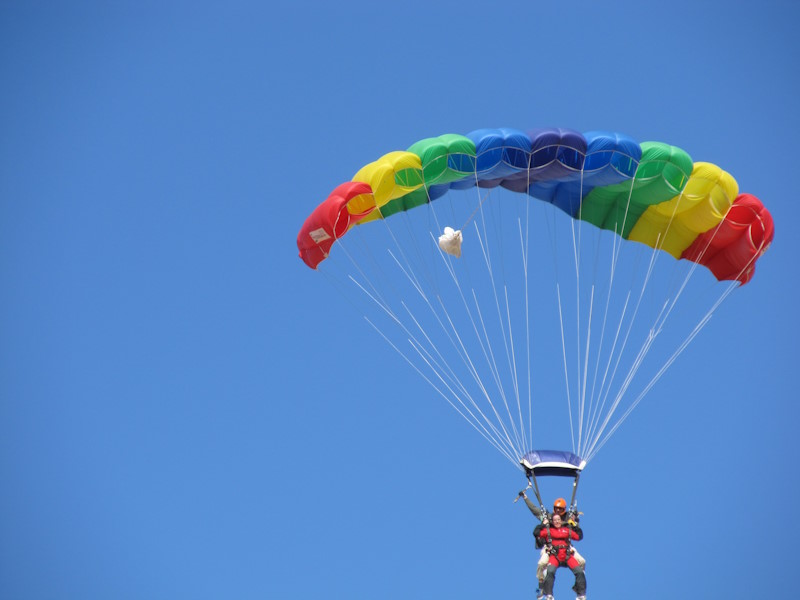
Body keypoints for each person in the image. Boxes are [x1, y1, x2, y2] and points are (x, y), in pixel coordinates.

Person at [521, 495, 586, 599]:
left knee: (582, 562)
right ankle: (542, 584)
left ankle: (578, 588)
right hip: (550, 548)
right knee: (542, 563)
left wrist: (575, 523)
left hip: (566, 549)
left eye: (560, 509)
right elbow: (535, 510)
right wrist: (525, 498)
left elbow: (578, 534)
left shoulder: (569, 519)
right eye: (556, 509)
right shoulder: (548, 517)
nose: (558, 511)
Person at [535, 512, 586, 600]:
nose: (557, 522)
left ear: (561, 521)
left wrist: (574, 524)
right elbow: (536, 533)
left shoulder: (567, 530)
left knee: (580, 572)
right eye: (555, 520)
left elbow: (579, 536)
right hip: (555, 555)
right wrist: (543, 524)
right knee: (550, 572)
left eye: (558, 520)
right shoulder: (549, 531)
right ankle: (549, 594)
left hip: (567, 555)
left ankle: (580, 594)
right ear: (552, 522)